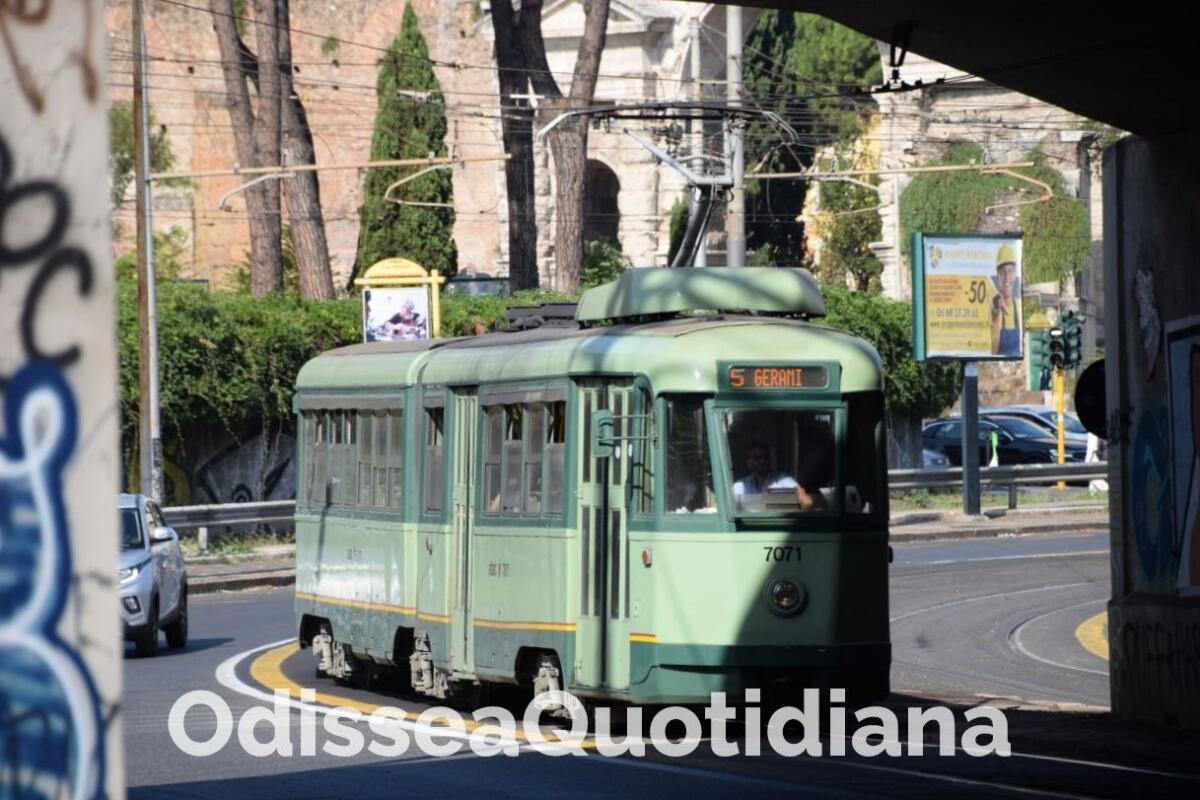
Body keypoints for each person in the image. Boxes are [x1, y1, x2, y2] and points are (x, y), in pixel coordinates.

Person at [732, 442, 826, 512]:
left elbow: (807, 501)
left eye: (765, 457)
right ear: (749, 463)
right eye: (757, 458)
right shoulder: (741, 485)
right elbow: (728, 507)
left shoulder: (784, 479)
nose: (762, 461)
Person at [990, 244, 1021, 356]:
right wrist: (996, 314)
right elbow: (993, 351)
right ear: (998, 275)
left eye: (1010, 270)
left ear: (1015, 273)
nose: (1007, 277)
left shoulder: (1018, 305)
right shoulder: (994, 305)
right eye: (1003, 271)